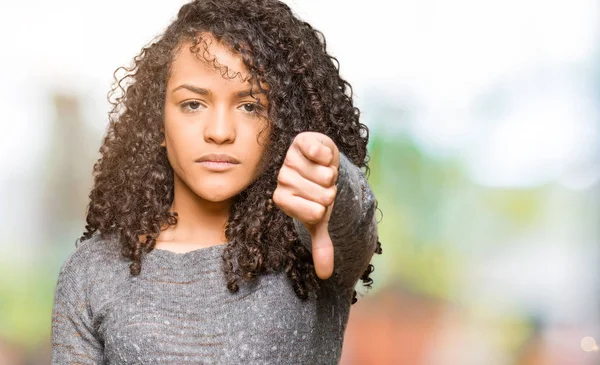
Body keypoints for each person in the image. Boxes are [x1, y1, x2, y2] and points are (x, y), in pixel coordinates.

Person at [50, 0, 382, 363]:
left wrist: (331, 185)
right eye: (193, 104)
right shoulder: (93, 272)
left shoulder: (310, 243)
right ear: (157, 121)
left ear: (282, 123)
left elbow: (353, 223)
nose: (220, 132)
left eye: (251, 106)